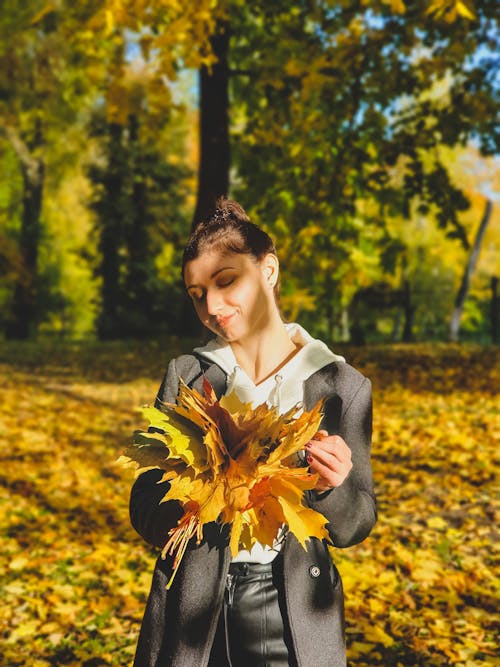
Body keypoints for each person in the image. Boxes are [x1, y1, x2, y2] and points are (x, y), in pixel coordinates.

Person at [129, 198, 376, 667]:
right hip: (192, 610)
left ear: (269, 271)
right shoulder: (188, 376)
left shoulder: (341, 386)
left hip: (291, 611)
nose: (212, 306)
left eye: (226, 282)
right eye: (197, 293)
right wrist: (189, 506)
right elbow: (142, 500)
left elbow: (357, 521)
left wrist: (330, 489)